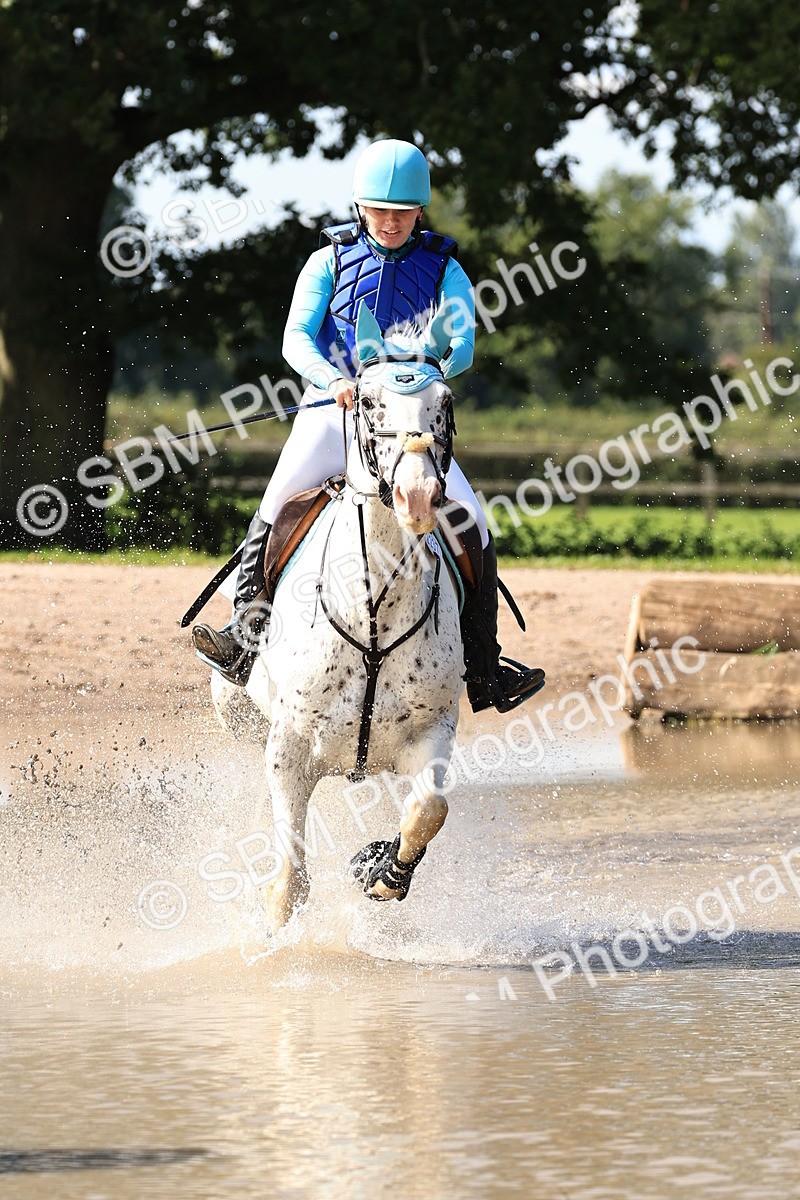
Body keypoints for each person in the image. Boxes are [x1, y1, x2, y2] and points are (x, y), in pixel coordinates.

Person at [192, 138, 544, 713]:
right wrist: (333, 379)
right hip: (337, 414)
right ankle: (244, 637)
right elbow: (295, 338)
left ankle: (484, 669)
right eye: (379, 210)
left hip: (410, 427)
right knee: (277, 505)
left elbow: (464, 344)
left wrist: (430, 369)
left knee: (474, 525)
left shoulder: (446, 267)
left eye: (402, 212)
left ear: (420, 211)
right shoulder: (327, 261)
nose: (390, 221)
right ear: (360, 207)